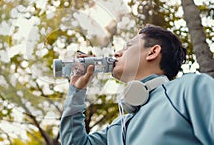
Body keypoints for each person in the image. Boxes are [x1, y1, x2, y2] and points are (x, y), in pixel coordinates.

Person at [60, 24, 214, 145]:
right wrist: (76, 91)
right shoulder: (118, 128)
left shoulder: (190, 88)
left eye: (128, 46)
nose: (117, 53)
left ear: (152, 52)